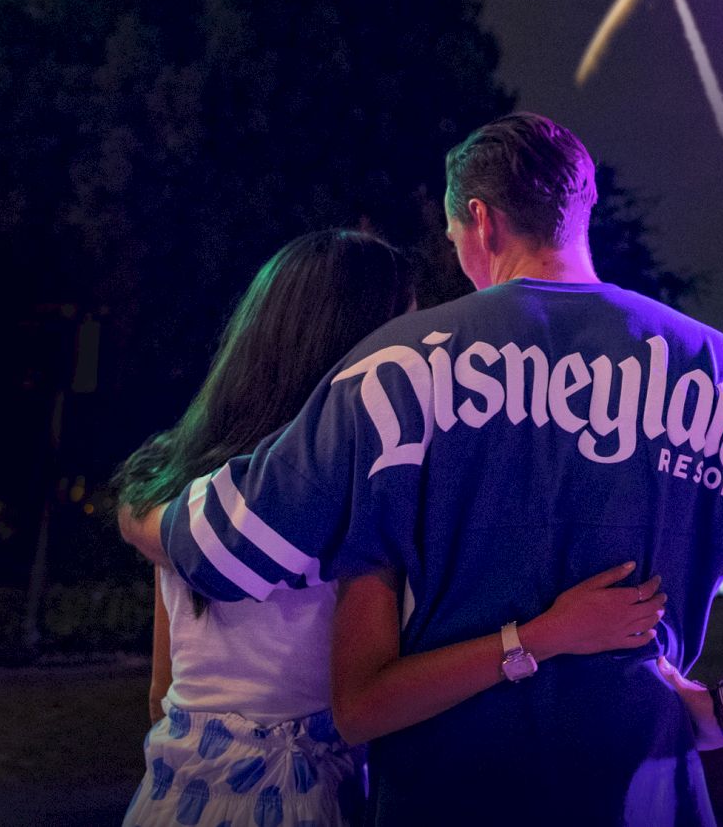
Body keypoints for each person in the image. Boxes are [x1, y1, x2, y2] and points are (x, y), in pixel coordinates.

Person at [122, 112, 723, 825]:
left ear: (480, 221)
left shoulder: (393, 369)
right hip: (644, 786)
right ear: (579, 213)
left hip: (447, 788)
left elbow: (224, 548)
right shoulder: (722, 373)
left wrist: (135, 511)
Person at [114, 229, 667, 827]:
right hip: (302, 804)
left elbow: (163, 692)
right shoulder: (361, 495)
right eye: (403, 335)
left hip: (174, 797)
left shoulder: (186, 484)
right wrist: (547, 633)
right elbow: (367, 702)